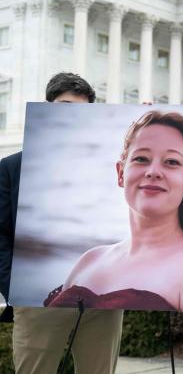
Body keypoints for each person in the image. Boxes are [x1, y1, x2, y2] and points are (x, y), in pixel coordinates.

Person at [45, 110, 183, 312]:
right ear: (120, 174)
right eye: (141, 159)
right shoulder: (88, 261)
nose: (153, 171)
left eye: (172, 162)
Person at [0, 72, 123, 373]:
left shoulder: (111, 169)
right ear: (48, 108)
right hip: (38, 301)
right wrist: (16, 289)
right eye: (65, 106)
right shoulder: (11, 168)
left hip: (102, 301)